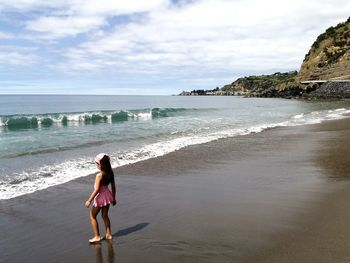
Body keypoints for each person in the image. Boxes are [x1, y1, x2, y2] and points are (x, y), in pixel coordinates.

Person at [85, 153, 117, 243]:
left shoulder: (99, 175)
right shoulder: (110, 172)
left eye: (96, 163)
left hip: (100, 198)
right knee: (105, 216)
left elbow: (97, 190)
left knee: (92, 216)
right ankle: (108, 234)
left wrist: (89, 200)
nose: (96, 165)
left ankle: (97, 236)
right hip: (108, 195)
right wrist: (114, 198)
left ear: (100, 164)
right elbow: (113, 186)